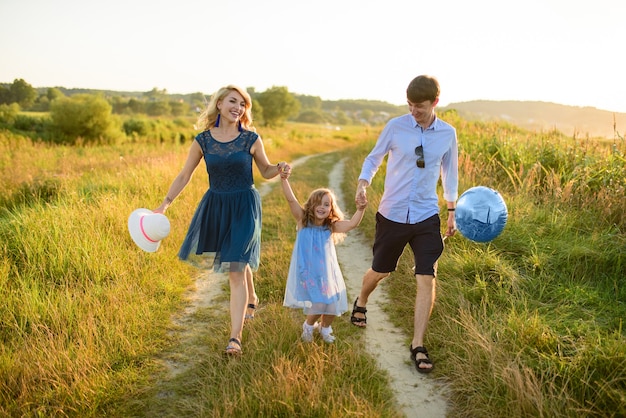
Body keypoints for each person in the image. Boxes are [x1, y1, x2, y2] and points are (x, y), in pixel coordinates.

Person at [153, 85, 291, 356]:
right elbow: (184, 176)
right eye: (233, 101)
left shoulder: (250, 139)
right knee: (235, 256)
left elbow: (265, 170)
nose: (238, 107)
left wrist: (280, 168)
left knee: (235, 269)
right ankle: (252, 297)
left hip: (244, 205)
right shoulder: (203, 140)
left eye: (243, 104)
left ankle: (235, 338)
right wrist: (164, 205)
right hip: (217, 204)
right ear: (219, 104)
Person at [351, 75, 458, 373]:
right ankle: (361, 300)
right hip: (393, 213)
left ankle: (418, 344)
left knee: (427, 276)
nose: (414, 112)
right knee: (380, 271)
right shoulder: (396, 126)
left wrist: (451, 210)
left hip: (426, 215)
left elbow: (450, 174)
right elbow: (373, 159)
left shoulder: (448, 134)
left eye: (420, 107)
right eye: (410, 105)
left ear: (435, 102)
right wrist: (363, 183)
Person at [280, 174, 367, 343]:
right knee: (319, 303)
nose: (322, 207)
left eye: (326, 205)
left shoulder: (330, 226)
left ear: (331, 209)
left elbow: (352, 224)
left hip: (327, 274)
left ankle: (325, 328)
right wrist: (284, 179)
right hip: (308, 272)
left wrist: (361, 209)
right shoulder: (302, 221)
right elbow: (291, 200)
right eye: (318, 204)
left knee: (332, 305)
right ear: (310, 206)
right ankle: (308, 326)